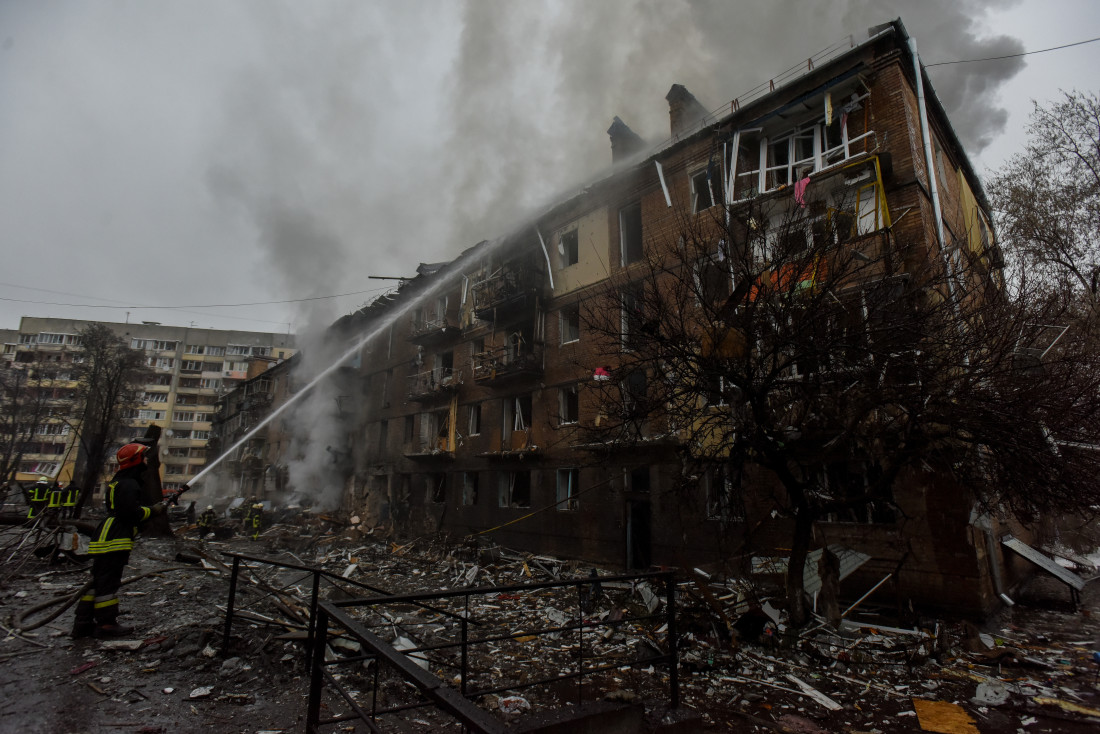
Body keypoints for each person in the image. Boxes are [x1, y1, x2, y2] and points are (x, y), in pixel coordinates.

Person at [72, 443, 165, 639]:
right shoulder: (130, 484)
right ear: (136, 460)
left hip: (106, 534)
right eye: (144, 457)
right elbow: (130, 513)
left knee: (97, 582)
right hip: (115, 538)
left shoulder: (118, 482)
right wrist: (153, 510)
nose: (146, 460)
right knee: (109, 583)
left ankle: (83, 622)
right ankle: (106, 624)